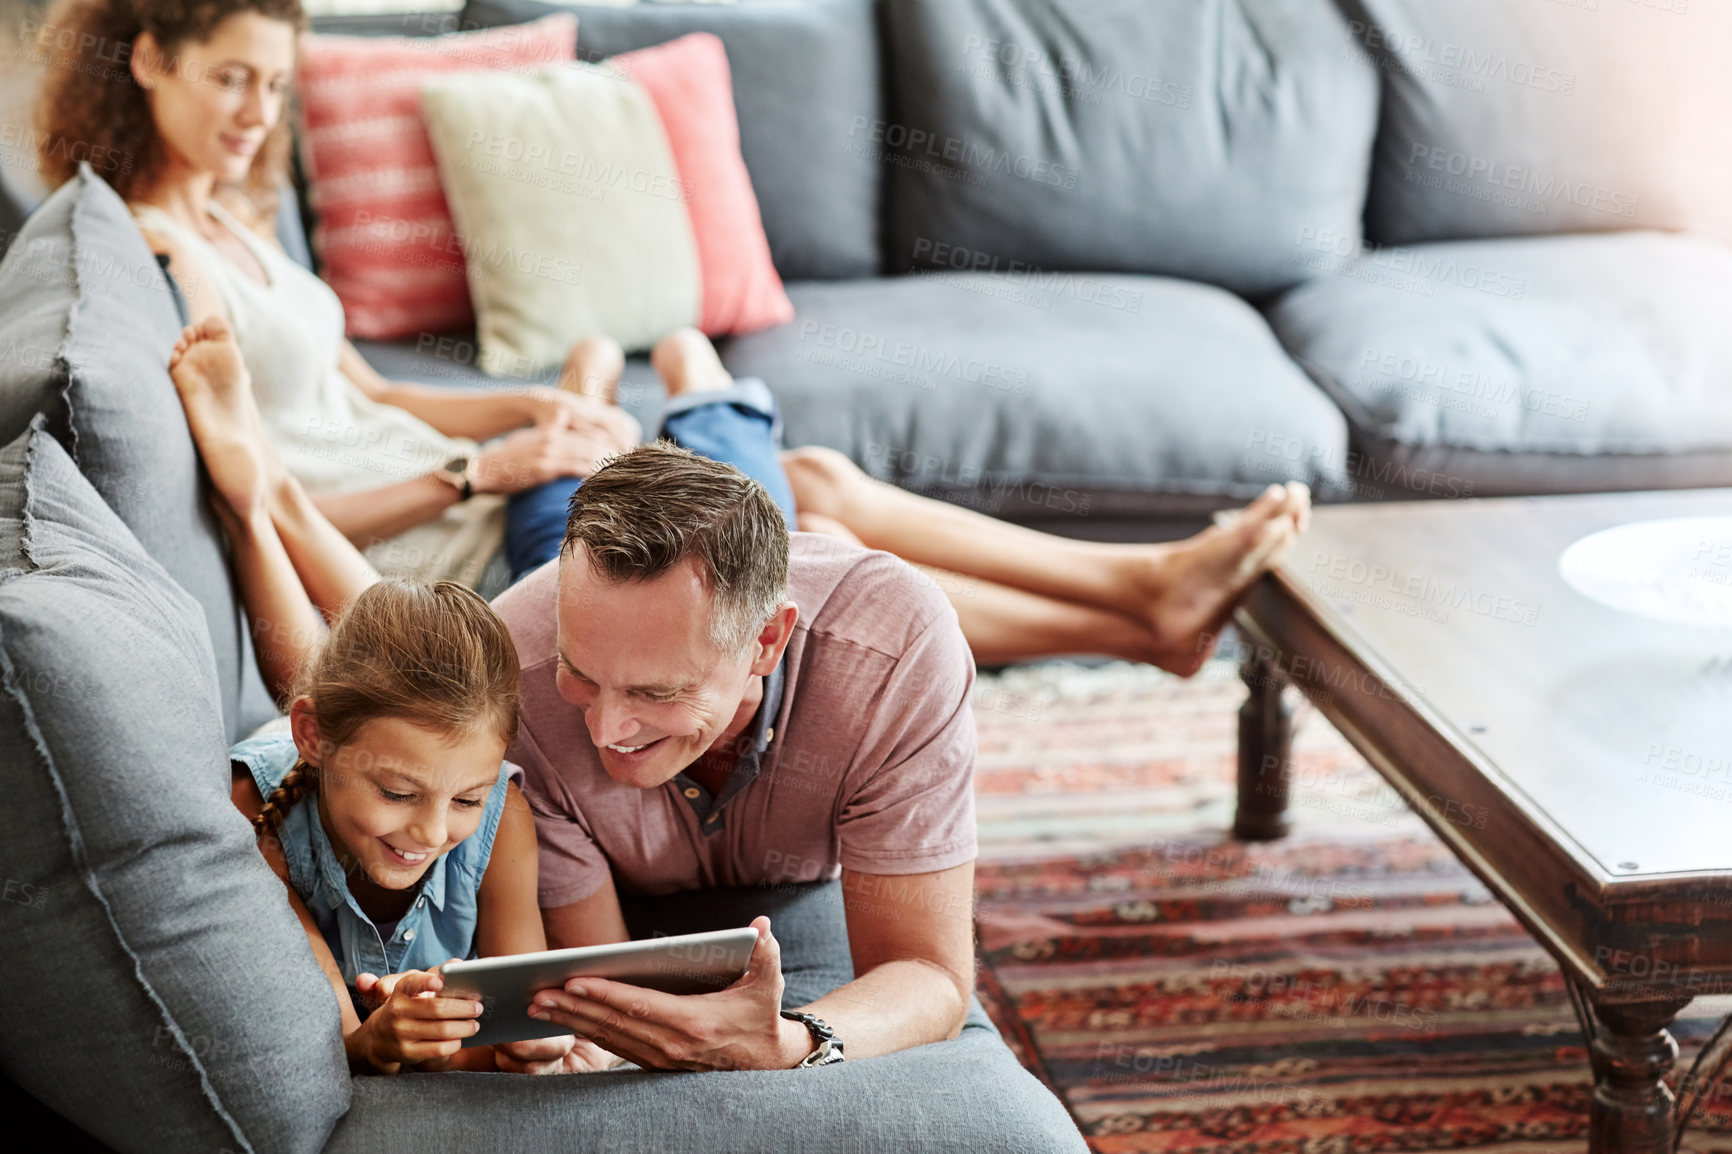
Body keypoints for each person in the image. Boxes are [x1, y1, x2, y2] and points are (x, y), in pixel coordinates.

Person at [31, 0, 650, 586]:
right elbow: (275, 506)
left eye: (275, 85)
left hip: (491, 503)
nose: (260, 114)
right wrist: (478, 473)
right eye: (231, 78)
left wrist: (533, 408)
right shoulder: (166, 258)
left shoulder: (232, 218)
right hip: (462, 559)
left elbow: (377, 393)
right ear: (150, 62)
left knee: (602, 385)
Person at [166, 313, 619, 1075]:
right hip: (313, 746)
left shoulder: (498, 813)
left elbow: (523, 1020)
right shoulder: (257, 818)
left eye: (465, 799)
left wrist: (537, 1051)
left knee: (340, 670)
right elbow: (345, 1040)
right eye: (399, 793)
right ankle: (253, 503)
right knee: (330, 677)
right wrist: (388, 1042)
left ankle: (266, 500)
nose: (436, 830)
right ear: (313, 739)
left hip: (345, 724)